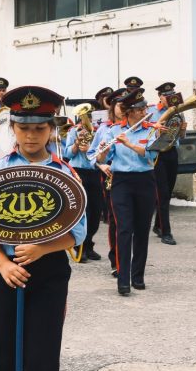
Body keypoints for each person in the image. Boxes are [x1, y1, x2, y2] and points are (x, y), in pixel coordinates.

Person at [0, 85, 87, 371]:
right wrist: (2, 264)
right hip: (9, 271)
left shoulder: (65, 173)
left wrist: (42, 247)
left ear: (51, 128)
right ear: (12, 128)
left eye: (39, 128)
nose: (31, 136)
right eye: (24, 128)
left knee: (42, 352)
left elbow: (76, 233)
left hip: (49, 272)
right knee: (3, 350)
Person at [97, 88, 157, 295]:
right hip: (121, 181)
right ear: (129, 111)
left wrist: (129, 144)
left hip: (145, 180)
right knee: (124, 229)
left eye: (144, 108)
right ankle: (123, 279)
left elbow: (150, 155)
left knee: (142, 229)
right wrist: (104, 150)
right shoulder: (113, 131)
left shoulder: (150, 129)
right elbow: (102, 159)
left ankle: (137, 276)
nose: (144, 112)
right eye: (140, 109)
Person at [90, 87, 128, 276]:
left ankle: (131, 261)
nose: (123, 108)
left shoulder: (134, 126)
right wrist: (101, 165)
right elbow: (92, 154)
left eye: (125, 105)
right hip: (112, 177)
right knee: (115, 221)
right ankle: (117, 261)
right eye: (120, 105)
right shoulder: (104, 128)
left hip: (133, 178)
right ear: (112, 107)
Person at [63, 100, 102, 263]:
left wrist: (91, 149)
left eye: (90, 115)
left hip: (94, 171)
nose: (88, 118)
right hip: (78, 172)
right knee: (83, 211)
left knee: (96, 211)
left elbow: (102, 152)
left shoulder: (99, 131)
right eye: (86, 115)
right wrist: (77, 144)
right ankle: (80, 247)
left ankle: (89, 244)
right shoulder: (74, 131)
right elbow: (67, 153)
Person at [148, 82, 185, 245]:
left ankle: (158, 226)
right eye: (167, 95)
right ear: (160, 97)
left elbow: (181, 136)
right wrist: (156, 129)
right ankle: (166, 232)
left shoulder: (178, 111)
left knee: (167, 193)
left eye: (172, 94)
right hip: (158, 154)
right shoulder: (151, 111)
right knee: (162, 194)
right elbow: (147, 132)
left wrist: (183, 129)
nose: (170, 98)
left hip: (172, 152)